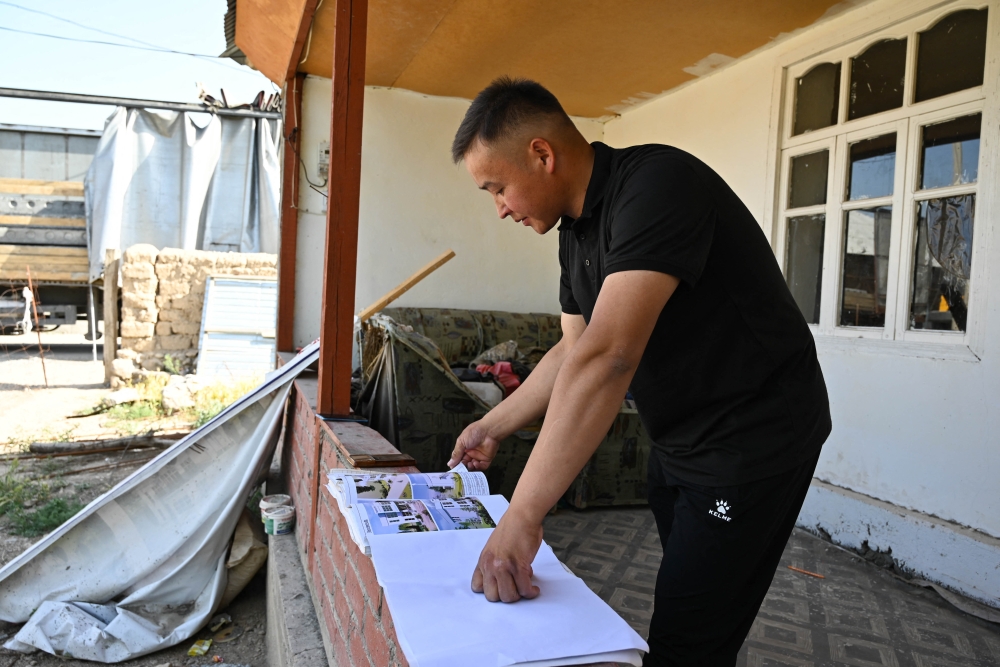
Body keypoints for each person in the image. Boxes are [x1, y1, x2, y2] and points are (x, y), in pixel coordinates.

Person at [447, 76, 831, 667]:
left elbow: (609, 357)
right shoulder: (574, 232)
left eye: (497, 188)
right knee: (692, 604)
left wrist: (522, 517)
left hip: (753, 437)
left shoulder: (657, 186)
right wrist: (493, 426)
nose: (499, 208)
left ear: (542, 154)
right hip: (680, 438)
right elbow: (573, 352)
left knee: (687, 637)